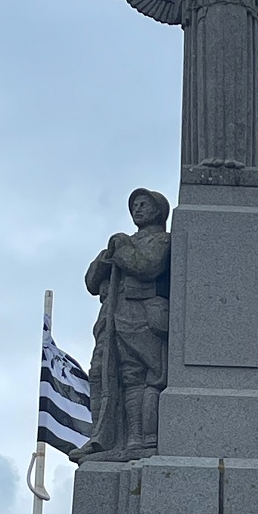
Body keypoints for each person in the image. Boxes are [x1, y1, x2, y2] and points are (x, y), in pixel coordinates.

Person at [69, 188, 171, 463]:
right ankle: (101, 438)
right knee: (99, 373)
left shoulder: (162, 240)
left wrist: (121, 247)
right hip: (111, 316)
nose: (137, 209)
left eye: (144, 204)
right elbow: (91, 281)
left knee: (134, 376)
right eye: (134, 205)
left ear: (158, 211)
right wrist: (108, 255)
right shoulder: (121, 243)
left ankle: (136, 438)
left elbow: (148, 266)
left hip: (139, 315)